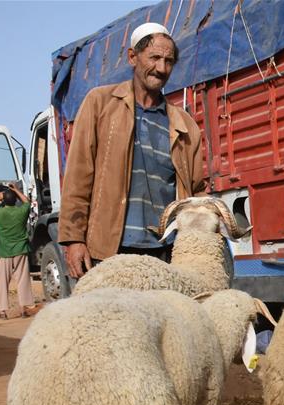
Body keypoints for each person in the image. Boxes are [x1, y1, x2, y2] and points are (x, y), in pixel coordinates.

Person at [58, 22, 206, 279]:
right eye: (154, 57)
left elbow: (197, 193)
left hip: (166, 254)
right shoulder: (100, 104)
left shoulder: (185, 126)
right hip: (108, 251)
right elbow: (78, 177)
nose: (161, 68)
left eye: (169, 61)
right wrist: (73, 239)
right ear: (132, 57)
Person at [0, 184, 41, 319]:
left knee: (3, 282)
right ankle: (23, 308)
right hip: (20, 250)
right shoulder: (21, 211)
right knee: (23, 280)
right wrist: (16, 190)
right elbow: (27, 201)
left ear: (4, 200)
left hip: (4, 252)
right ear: (16, 200)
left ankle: (3, 311)